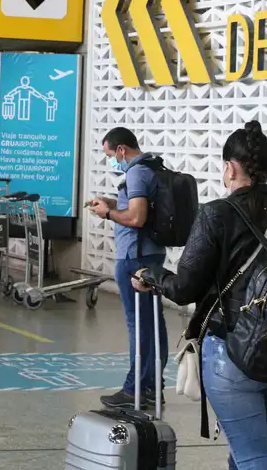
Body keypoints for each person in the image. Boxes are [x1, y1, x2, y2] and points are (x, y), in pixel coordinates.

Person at [134, 121, 267, 469]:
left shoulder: (215, 215)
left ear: (230, 168)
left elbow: (184, 289)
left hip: (233, 354)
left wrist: (152, 275)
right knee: (249, 449)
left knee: (252, 455)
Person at [87, 127, 168, 410]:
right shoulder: (153, 167)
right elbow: (138, 206)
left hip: (135, 257)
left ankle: (136, 389)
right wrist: (112, 202)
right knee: (153, 323)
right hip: (152, 254)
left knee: (139, 325)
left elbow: (136, 218)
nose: (112, 160)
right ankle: (152, 387)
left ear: (121, 149)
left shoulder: (135, 172)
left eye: (111, 154)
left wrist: (108, 213)